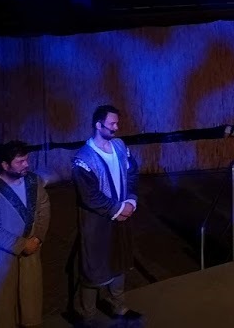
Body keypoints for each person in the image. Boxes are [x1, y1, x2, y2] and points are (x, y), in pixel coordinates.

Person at [71, 103, 142, 325]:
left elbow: (132, 172)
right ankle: (88, 315)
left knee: (119, 260)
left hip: (122, 217)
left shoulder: (120, 146)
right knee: (93, 267)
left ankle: (118, 306)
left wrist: (130, 200)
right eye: (112, 124)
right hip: (97, 222)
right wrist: (117, 209)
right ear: (98, 125)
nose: (116, 127)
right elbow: (89, 195)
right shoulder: (83, 158)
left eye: (117, 123)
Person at [0, 139, 50, 328]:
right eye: (20, 162)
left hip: (31, 252)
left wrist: (37, 237)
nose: (26, 164)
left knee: (30, 304)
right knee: (4, 307)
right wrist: (22, 245)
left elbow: (44, 208)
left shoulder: (33, 182)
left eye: (26, 160)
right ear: (5, 165)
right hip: (4, 258)